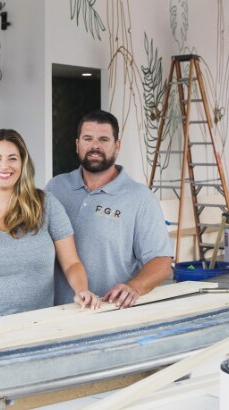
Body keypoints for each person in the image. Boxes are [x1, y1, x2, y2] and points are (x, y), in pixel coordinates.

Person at [0, 129, 99, 317]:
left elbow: (71, 263)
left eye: (12, 158)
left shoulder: (47, 205)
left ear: (22, 163)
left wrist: (81, 290)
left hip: (32, 323)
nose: (4, 166)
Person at [46, 110, 173, 309]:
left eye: (103, 139)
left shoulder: (140, 198)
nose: (94, 146)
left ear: (117, 146)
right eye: (88, 138)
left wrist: (134, 287)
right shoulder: (55, 188)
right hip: (57, 311)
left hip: (110, 311)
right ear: (77, 144)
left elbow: (162, 262)